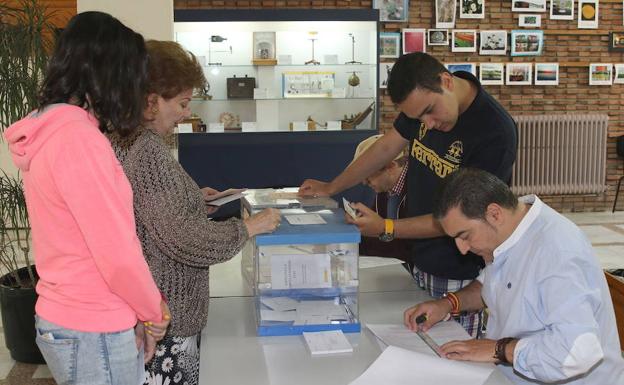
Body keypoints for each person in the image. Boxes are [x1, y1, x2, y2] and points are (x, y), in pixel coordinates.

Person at [4, 12, 170, 385]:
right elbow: (116, 252)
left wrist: (134, 314)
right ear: (109, 73)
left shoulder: (51, 127)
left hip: (75, 314)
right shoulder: (78, 140)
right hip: (91, 324)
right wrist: (151, 310)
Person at [299, 52, 517, 336]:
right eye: (417, 117)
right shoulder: (423, 103)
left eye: (429, 111)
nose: (427, 123)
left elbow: (465, 219)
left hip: (457, 267)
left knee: (450, 355)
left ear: (446, 81)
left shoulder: (494, 131)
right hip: (419, 256)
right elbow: (386, 147)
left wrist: (387, 227)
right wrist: (331, 186)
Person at [108, 40, 281, 385]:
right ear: (150, 102)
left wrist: (189, 198)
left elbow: (149, 213)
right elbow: (183, 239)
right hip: (166, 318)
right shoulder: (148, 152)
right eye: (183, 103)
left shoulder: (128, 139)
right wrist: (248, 228)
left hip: (151, 311)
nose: (187, 113)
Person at [404, 168, 624, 385]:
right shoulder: (513, 228)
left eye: (464, 235)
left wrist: (500, 349)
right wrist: (449, 303)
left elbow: (576, 353)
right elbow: (492, 283)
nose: (462, 249)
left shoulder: (557, 253)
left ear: (494, 214)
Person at [349, 134, 411, 262]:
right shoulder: (385, 188)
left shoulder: (416, 191)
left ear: (391, 166)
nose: (364, 182)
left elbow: (406, 248)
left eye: (368, 175)